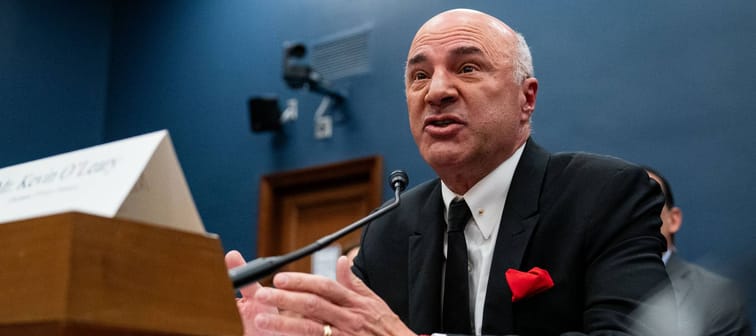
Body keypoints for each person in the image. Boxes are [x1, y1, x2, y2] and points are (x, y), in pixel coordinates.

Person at [225, 8, 676, 335]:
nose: (436, 91)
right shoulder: (388, 230)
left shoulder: (604, 196)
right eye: (419, 77)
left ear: (527, 98)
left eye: (467, 67)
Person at [644, 166, 753, 336]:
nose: (634, 219)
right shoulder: (591, 289)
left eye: (648, 208)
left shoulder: (716, 297)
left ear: (674, 219)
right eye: (623, 211)